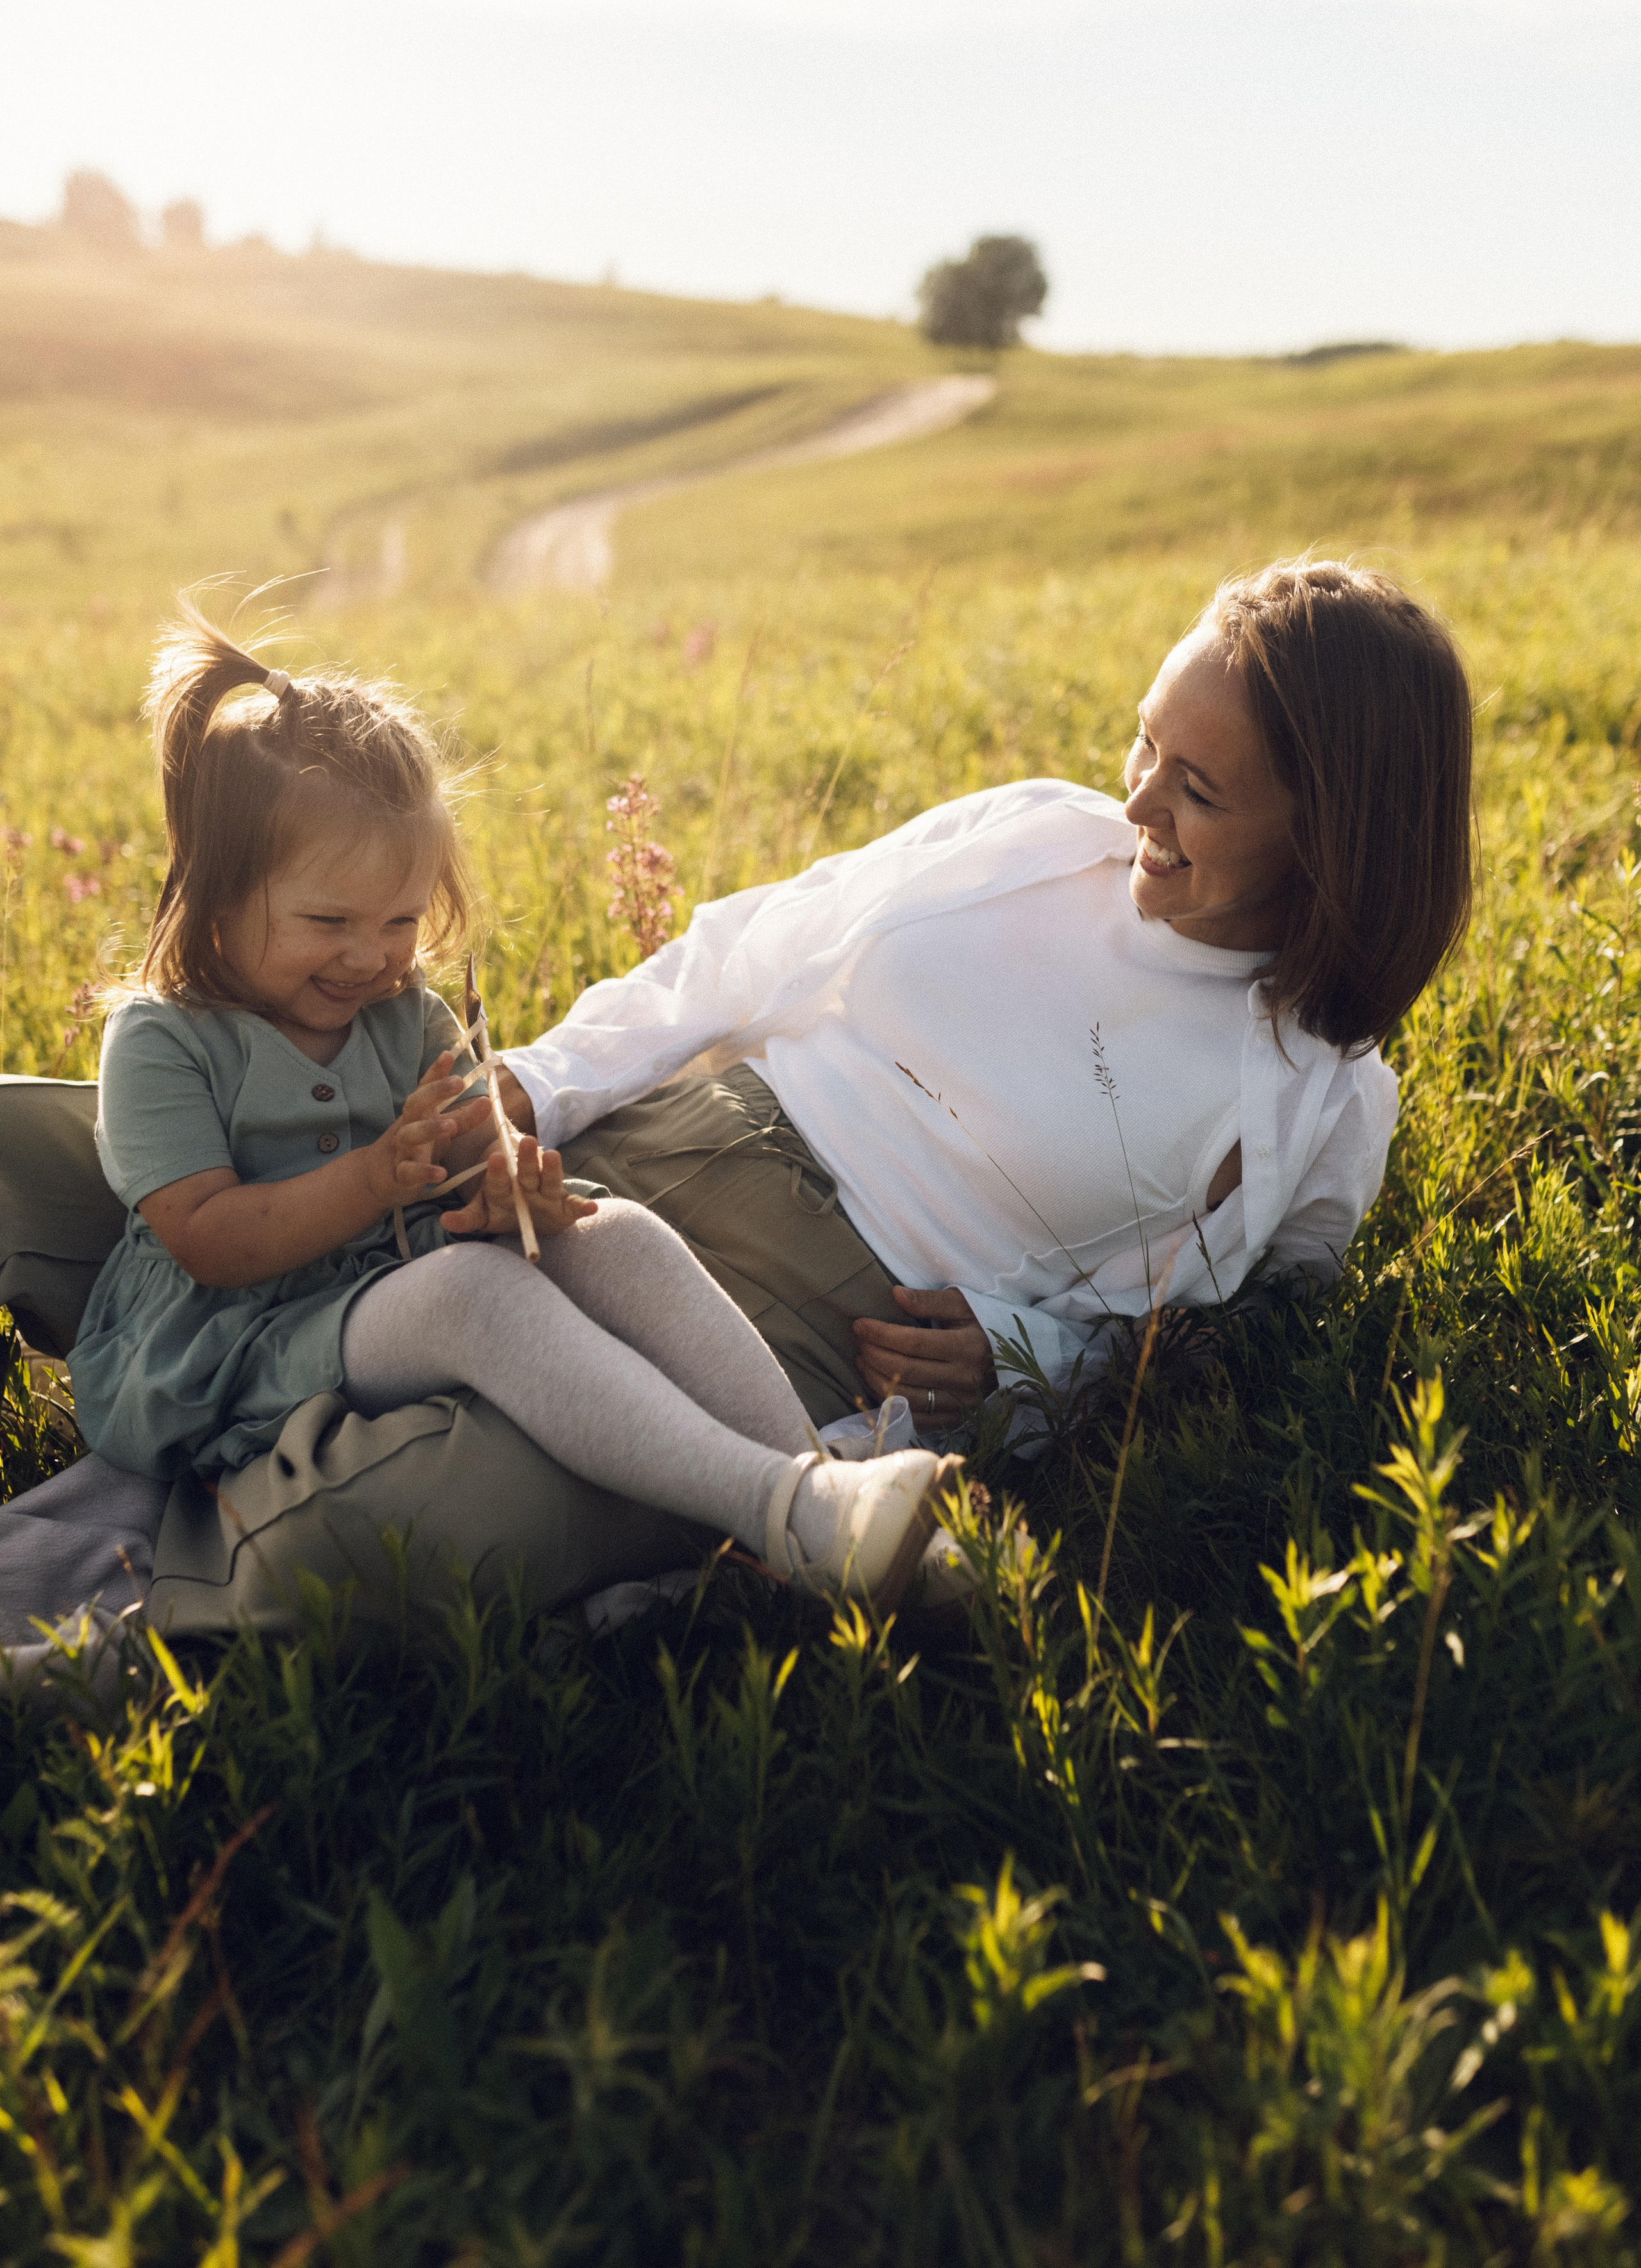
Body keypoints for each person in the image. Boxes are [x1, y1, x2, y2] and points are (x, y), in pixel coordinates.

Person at [64, 606, 960, 1614]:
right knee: (470, 1299)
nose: (371, 955)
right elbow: (210, 1241)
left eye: (401, 921)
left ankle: (828, 1499)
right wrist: (372, 1181)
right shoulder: (163, 1039)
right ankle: (782, 1510)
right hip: (232, 1342)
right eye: (330, 923)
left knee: (613, 1230)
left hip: (376, 1290)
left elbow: (470, 1170)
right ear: (218, 896)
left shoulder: (407, 1019)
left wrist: (509, 1194)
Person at [497, 559, 1474, 1429]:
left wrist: (1021, 1358)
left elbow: (1233, 1345)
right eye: (1145, 743)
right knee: (376, 1282)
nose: (1136, 803)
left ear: (1331, 842)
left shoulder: (1318, 1099)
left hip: (832, 1308)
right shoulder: (1036, 832)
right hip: (682, 1132)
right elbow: (750, 946)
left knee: (437, 1496)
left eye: (1200, 790)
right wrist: (544, 1082)